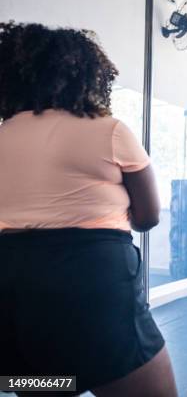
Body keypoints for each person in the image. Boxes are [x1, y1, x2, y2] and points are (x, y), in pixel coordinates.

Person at [0, 22, 177, 396]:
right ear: (86, 74)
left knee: (44, 383)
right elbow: (149, 217)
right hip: (91, 282)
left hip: (12, 286)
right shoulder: (107, 129)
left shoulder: (4, 132)